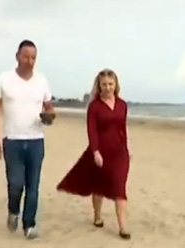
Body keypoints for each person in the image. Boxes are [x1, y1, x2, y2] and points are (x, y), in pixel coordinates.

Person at [0, 39, 55, 240]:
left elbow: (49, 107)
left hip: (36, 140)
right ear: (17, 56)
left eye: (33, 57)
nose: (29, 61)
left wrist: (50, 115)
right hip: (13, 140)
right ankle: (13, 210)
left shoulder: (42, 81)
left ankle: (29, 225)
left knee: (33, 186)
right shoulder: (4, 79)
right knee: (16, 183)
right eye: (25, 56)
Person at [56, 69, 131, 239]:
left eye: (111, 84)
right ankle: (97, 216)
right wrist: (95, 151)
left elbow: (123, 129)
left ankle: (123, 227)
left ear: (116, 85)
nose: (107, 88)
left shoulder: (122, 105)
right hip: (101, 152)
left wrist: (127, 149)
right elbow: (92, 131)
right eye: (104, 84)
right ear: (99, 85)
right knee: (99, 185)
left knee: (119, 187)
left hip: (120, 153)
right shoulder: (95, 106)